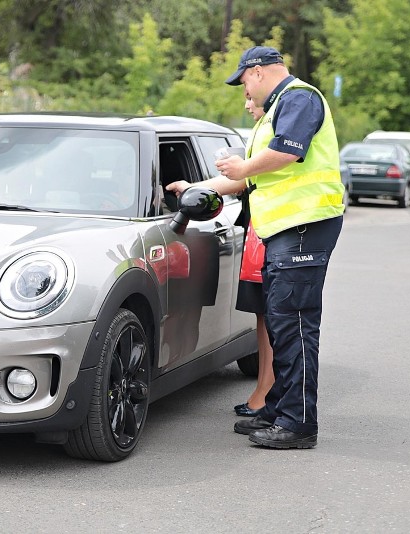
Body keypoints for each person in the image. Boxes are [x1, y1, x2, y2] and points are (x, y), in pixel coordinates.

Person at [166, 46, 345, 449]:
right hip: (286, 230)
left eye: (244, 80)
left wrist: (244, 166)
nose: (245, 89)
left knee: (294, 325)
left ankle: (298, 425)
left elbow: (287, 153)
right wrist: (194, 190)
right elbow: (249, 181)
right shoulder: (281, 106)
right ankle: (279, 408)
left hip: (303, 227)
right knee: (282, 324)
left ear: (259, 72)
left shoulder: (299, 98)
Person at [233, 92, 274, 418]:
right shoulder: (260, 132)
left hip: (269, 233)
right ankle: (263, 387)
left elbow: (245, 179)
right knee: (262, 317)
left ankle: (266, 391)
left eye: (249, 97)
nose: (247, 105)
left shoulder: (273, 130)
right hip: (256, 233)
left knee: (271, 318)